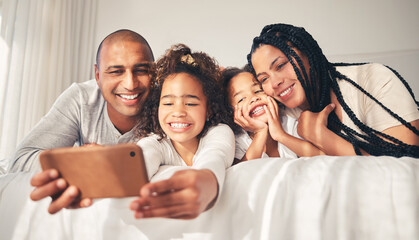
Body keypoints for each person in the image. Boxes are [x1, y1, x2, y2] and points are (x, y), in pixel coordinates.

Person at [11, 30, 232, 217]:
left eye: (141, 70)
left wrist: (208, 181)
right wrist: (85, 169)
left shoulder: (167, 105)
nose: (130, 84)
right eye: (116, 71)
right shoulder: (80, 99)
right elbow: (20, 160)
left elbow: (214, 152)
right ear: (97, 75)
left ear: (154, 73)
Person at [247, 23, 419, 157]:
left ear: (308, 54)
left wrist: (321, 136)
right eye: (264, 79)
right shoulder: (286, 115)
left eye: (280, 65)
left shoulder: (374, 80)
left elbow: (402, 166)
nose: (275, 83)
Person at [129, 44, 234, 219]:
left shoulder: (219, 132)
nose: (178, 112)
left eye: (191, 103)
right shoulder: (156, 141)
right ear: (157, 107)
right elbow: (142, 159)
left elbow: (215, 156)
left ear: (208, 109)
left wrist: (206, 183)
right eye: (168, 103)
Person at [221, 67, 324, 164]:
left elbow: (322, 157)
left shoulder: (290, 123)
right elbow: (240, 174)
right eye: (241, 99)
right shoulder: (238, 142)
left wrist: (280, 135)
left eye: (258, 91)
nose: (254, 98)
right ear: (231, 113)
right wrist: (260, 133)